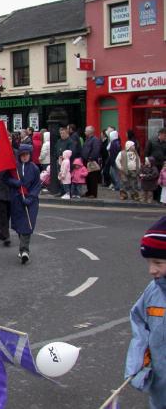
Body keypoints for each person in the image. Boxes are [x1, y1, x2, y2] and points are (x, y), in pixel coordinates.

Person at [125, 216, 166, 409]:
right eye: (149, 262)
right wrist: (138, 363)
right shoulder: (154, 290)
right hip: (161, 389)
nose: (152, 270)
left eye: (158, 262)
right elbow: (140, 323)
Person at [8, 144, 41, 264]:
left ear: (30, 155)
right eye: (22, 155)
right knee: (19, 225)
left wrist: (31, 197)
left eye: (26, 154)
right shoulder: (14, 167)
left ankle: (25, 250)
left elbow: (37, 185)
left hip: (30, 201)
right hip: (17, 200)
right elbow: (6, 179)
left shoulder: (34, 168)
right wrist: (14, 182)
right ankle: (22, 247)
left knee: (27, 224)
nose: (24, 157)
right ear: (19, 155)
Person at [145, 128, 166, 202]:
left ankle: (159, 197)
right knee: (153, 180)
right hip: (153, 165)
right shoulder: (151, 141)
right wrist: (147, 162)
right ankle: (154, 196)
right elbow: (147, 152)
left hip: (162, 165)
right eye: (164, 135)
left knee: (161, 181)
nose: (165, 137)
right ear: (160, 134)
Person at [81, 126, 102, 199]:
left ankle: (93, 193)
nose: (84, 132)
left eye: (86, 131)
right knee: (88, 178)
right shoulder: (87, 139)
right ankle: (89, 191)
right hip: (86, 161)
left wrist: (91, 158)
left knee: (93, 178)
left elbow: (96, 150)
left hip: (91, 161)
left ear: (90, 132)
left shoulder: (95, 140)